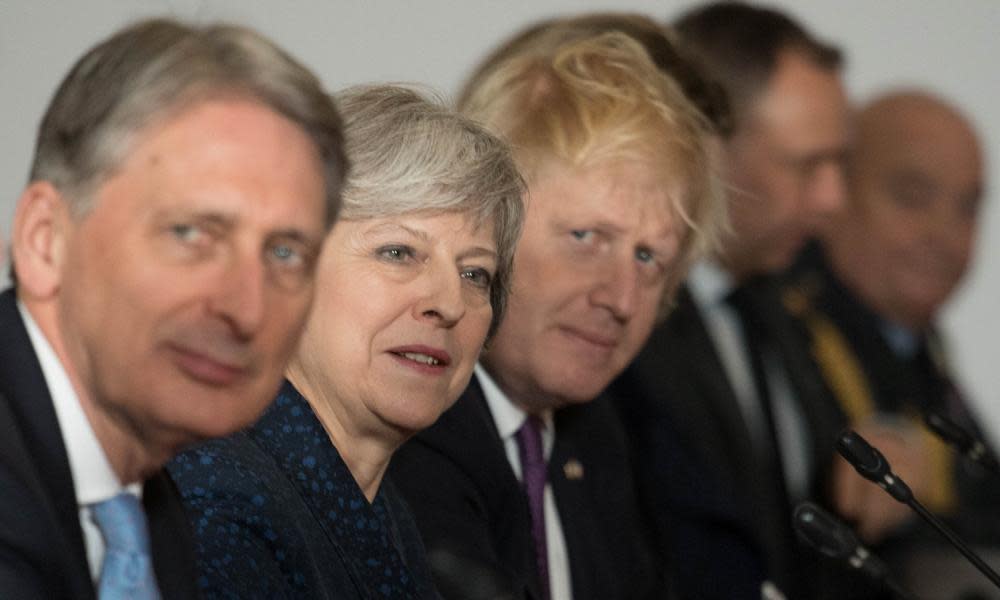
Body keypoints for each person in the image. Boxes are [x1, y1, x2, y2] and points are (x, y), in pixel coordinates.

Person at [0, 18, 346, 599]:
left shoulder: (150, 508)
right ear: (44, 240)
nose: (247, 309)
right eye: (190, 234)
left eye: (286, 253)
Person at [390, 28, 723, 600]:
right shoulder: (409, 425)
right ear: (487, 226)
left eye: (649, 257)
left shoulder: (597, 441)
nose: (620, 298)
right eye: (587, 237)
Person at [168, 84, 524, 599]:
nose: (449, 302)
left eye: (475, 274)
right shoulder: (216, 504)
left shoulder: (379, 508)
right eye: (399, 252)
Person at [608, 2, 855, 598]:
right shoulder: (621, 321)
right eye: (808, 165)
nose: (833, 199)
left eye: (840, 163)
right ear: (709, 150)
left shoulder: (789, 302)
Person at [784, 91, 996, 551]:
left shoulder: (920, 343)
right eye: (913, 197)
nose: (943, 235)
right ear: (836, 189)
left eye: (967, 208)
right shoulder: (782, 324)